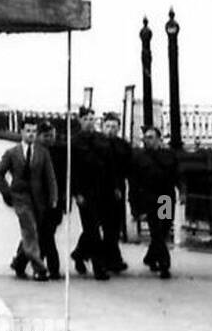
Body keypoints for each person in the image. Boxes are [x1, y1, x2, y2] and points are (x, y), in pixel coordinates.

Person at [0, 118, 57, 281]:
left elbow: (50, 178)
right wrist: (6, 193)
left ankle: (19, 263)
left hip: (39, 200)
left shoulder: (43, 153)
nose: (31, 134)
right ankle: (39, 268)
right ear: (21, 132)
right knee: (30, 231)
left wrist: (53, 198)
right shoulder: (12, 153)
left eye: (34, 131)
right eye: (28, 131)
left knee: (33, 233)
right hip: (20, 199)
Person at [129, 125, 179, 279]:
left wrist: (182, 191)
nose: (147, 140)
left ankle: (151, 257)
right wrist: (135, 207)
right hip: (148, 198)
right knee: (156, 231)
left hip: (165, 198)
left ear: (159, 139)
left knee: (163, 230)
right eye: (145, 137)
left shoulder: (169, 155)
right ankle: (164, 265)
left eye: (150, 137)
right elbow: (134, 183)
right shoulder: (139, 157)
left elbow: (177, 175)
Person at [70, 107, 111, 280]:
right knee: (93, 230)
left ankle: (79, 254)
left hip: (102, 190)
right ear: (80, 120)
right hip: (85, 192)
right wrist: (76, 192)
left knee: (93, 228)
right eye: (86, 118)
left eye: (92, 118)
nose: (89, 121)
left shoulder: (102, 139)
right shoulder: (75, 141)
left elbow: (109, 165)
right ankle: (98, 267)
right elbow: (72, 170)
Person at [100, 113, 132, 273]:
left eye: (114, 127)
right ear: (102, 126)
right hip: (100, 189)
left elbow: (129, 167)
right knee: (103, 227)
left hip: (119, 190)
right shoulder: (98, 143)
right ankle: (111, 259)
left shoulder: (123, 145)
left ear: (119, 128)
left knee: (113, 226)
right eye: (108, 126)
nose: (111, 130)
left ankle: (155, 256)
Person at [36, 120, 67, 279]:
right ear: (39, 136)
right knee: (45, 235)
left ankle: (26, 264)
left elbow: (65, 179)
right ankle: (51, 268)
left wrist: (64, 202)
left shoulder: (60, 153)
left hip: (55, 203)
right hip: (38, 202)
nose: (50, 139)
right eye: (46, 136)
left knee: (45, 235)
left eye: (52, 135)